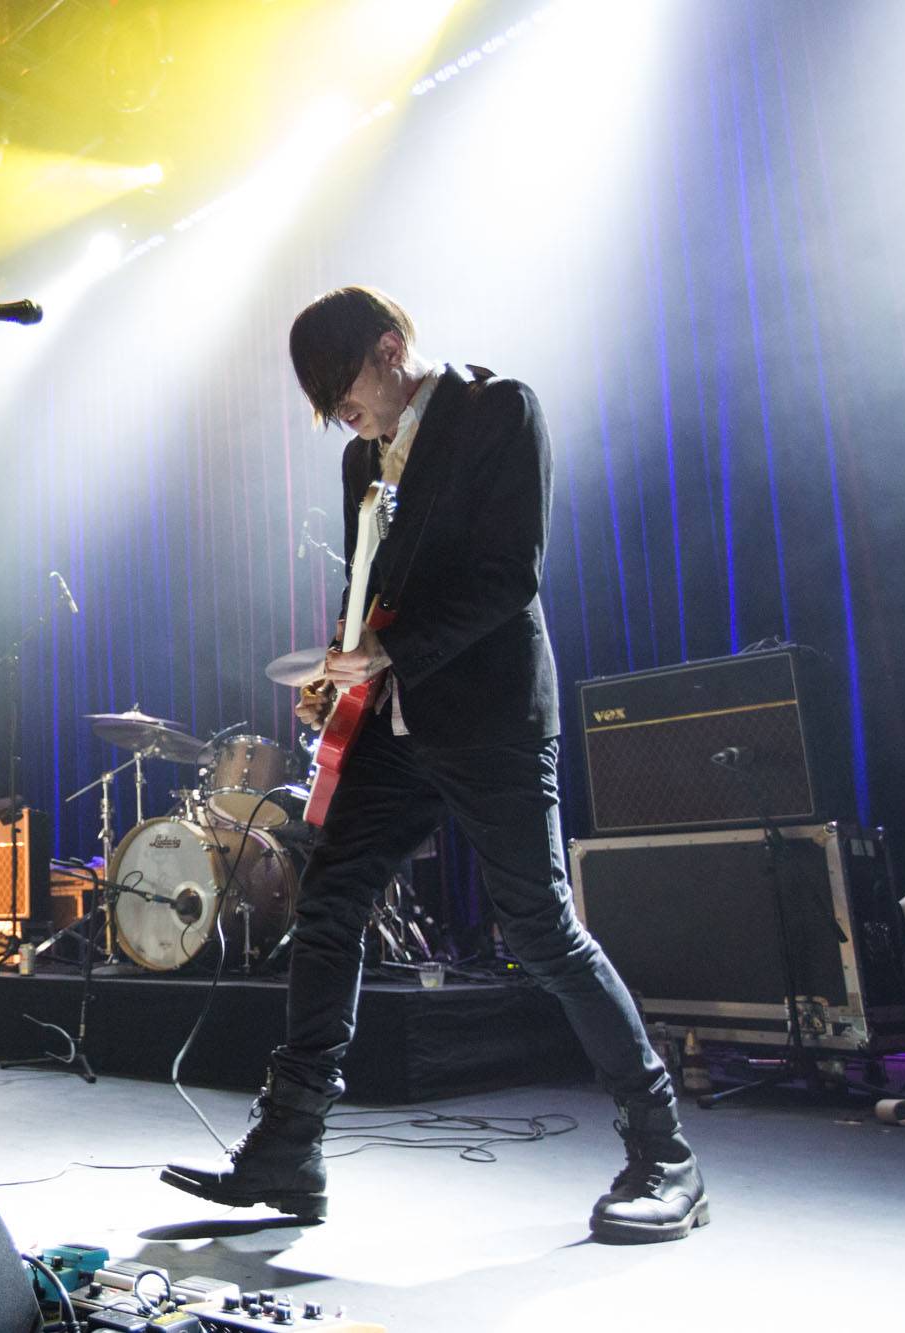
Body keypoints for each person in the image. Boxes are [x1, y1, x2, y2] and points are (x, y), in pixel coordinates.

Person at [162, 286, 707, 1243]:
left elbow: (511, 575)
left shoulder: (500, 408)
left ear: (390, 345)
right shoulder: (357, 459)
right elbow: (367, 586)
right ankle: (289, 1147)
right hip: (394, 725)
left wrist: (390, 656)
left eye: (347, 391)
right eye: (328, 405)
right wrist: (339, 667)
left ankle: (665, 1153)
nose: (343, 415)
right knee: (327, 903)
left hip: (490, 713)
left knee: (539, 926)